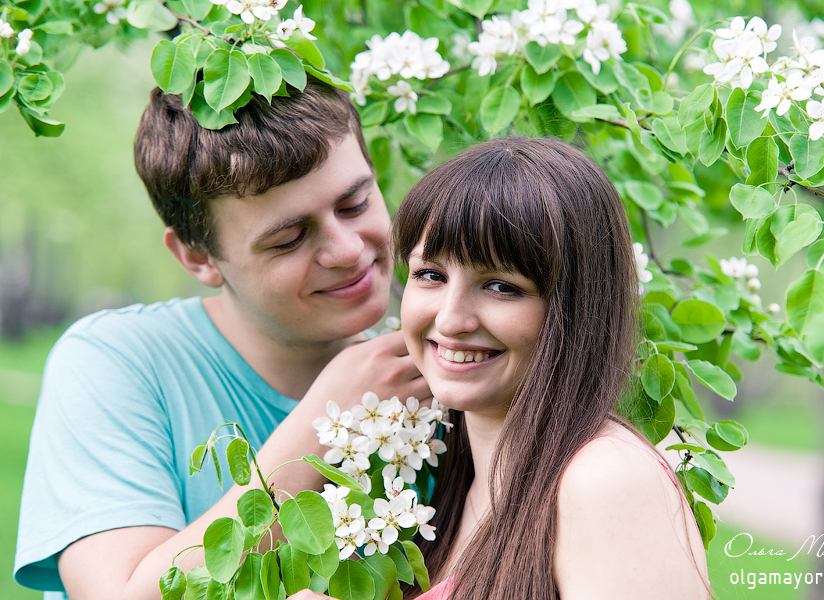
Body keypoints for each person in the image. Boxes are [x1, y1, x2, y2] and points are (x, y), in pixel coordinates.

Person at [14, 80, 428, 600]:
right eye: (289, 238)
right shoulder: (117, 360)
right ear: (198, 258)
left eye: (354, 204)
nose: (346, 250)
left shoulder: (431, 381)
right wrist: (331, 415)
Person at [391, 136, 709, 599]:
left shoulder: (605, 481)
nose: (449, 319)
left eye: (500, 286)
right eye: (430, 275)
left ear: (575, 310)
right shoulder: (443, 473)